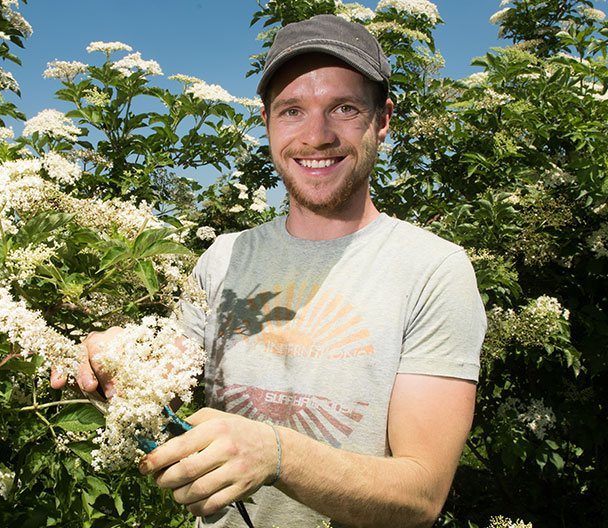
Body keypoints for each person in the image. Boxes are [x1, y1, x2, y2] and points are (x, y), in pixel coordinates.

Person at [54, 14, 486, 528]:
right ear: (266, 121)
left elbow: (420, 496)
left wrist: (277, 455)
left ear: (383, 118)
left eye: (344, 108)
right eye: (292, 111)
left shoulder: (434, 270)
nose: (317, 135)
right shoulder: (224, 256)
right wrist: (118, 362)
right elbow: (165, 378)